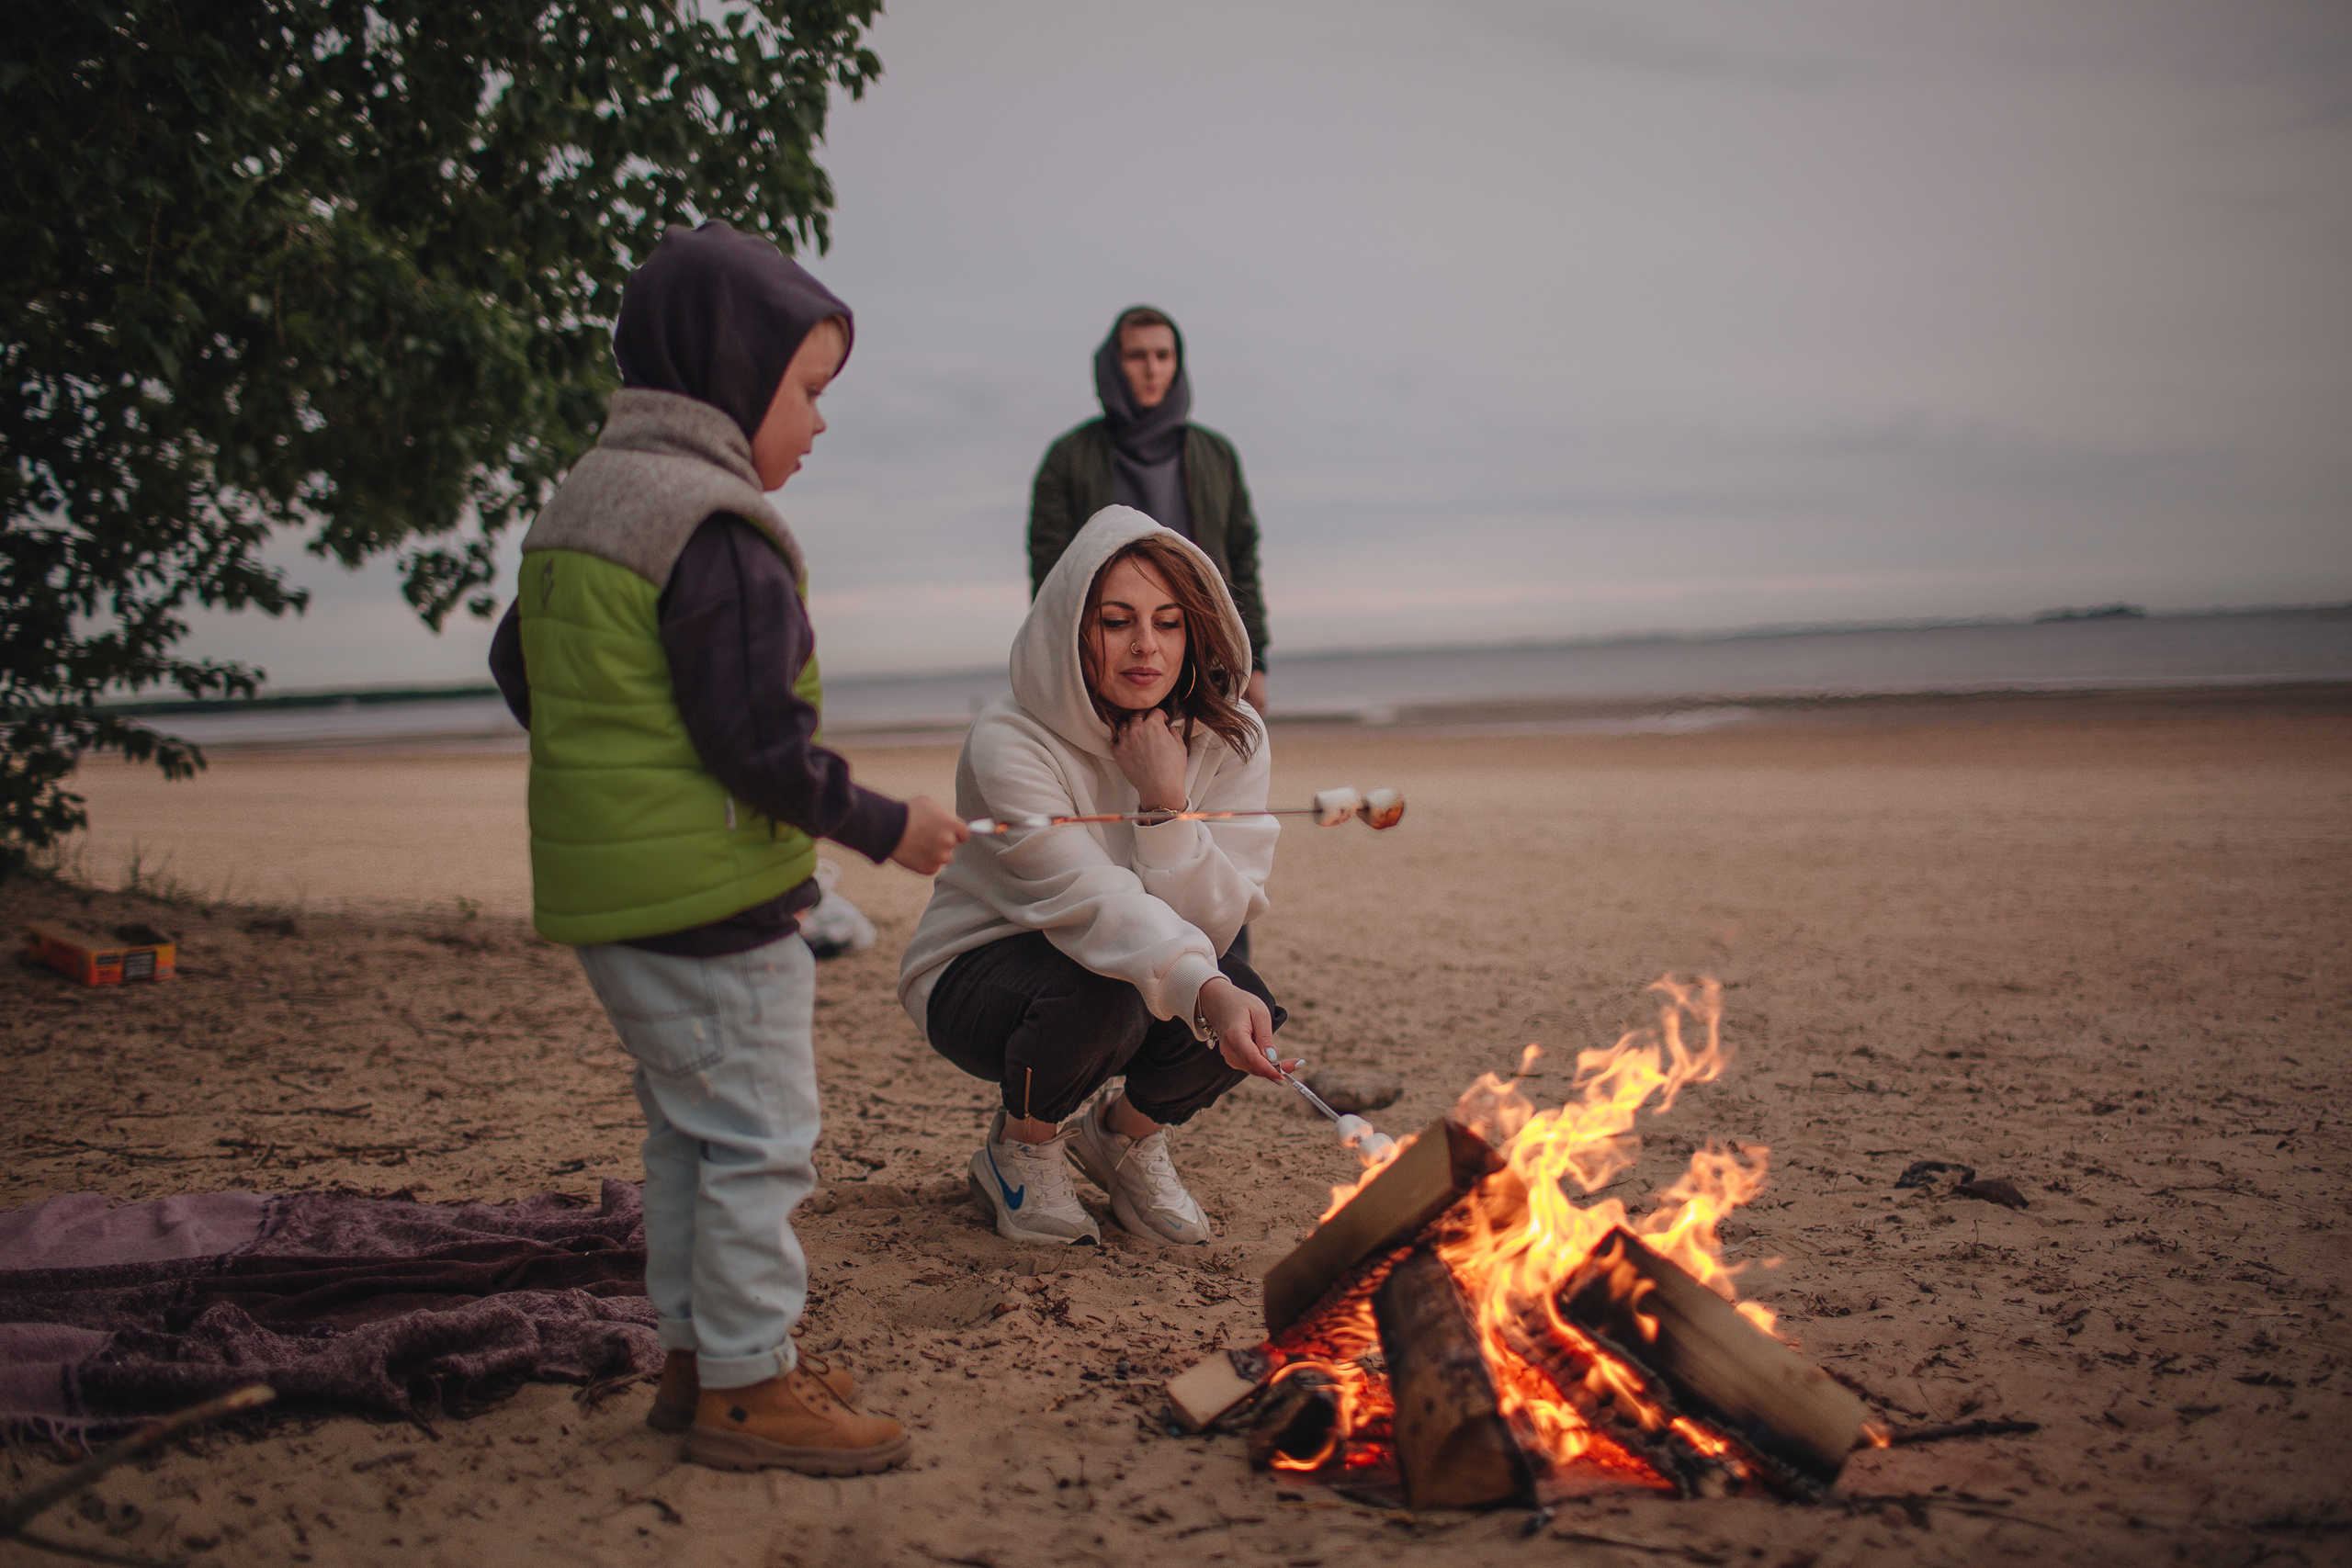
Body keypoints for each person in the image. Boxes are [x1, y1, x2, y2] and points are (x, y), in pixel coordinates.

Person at [487, 221, 968, 1476]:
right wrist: (891, 827)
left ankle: (702, 1359)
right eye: (805, 391)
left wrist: (614, 773)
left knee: (687, 1134)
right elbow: (761, 747)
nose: (817, 424)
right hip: (714, 902)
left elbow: (521, 667)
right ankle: (750, 1384)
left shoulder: (584, 503)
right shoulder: (719, 528)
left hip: (612, 900)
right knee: (760, 1141)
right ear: (728, 371)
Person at [899, 505, 1296, 1248]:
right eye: (1117, 621)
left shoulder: (1230, 736)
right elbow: (1088, 905)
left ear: (1195, 630)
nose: (1147, 645)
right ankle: (1022, 1144)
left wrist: (1168, 804)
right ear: (1072, 626)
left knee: (1253, 1004)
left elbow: (1218, 920)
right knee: (1113, 990)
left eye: (1169, 622)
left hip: (1141, 968)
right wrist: (1158, 806)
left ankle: (1120, 1136)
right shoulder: (1010, 740)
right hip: (979, 971)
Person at [1029, 307, 1272, 714]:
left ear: (1178, 363)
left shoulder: (1215, 454)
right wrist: (1066, 665)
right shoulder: (1069, 457)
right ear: (1112, 364)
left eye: (1163, 355)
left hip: (1205, 660)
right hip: (1108, 665)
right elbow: (1050, 574)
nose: (1151, 369)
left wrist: (1256, 660)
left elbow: (1242, 558)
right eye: (1136, 356)